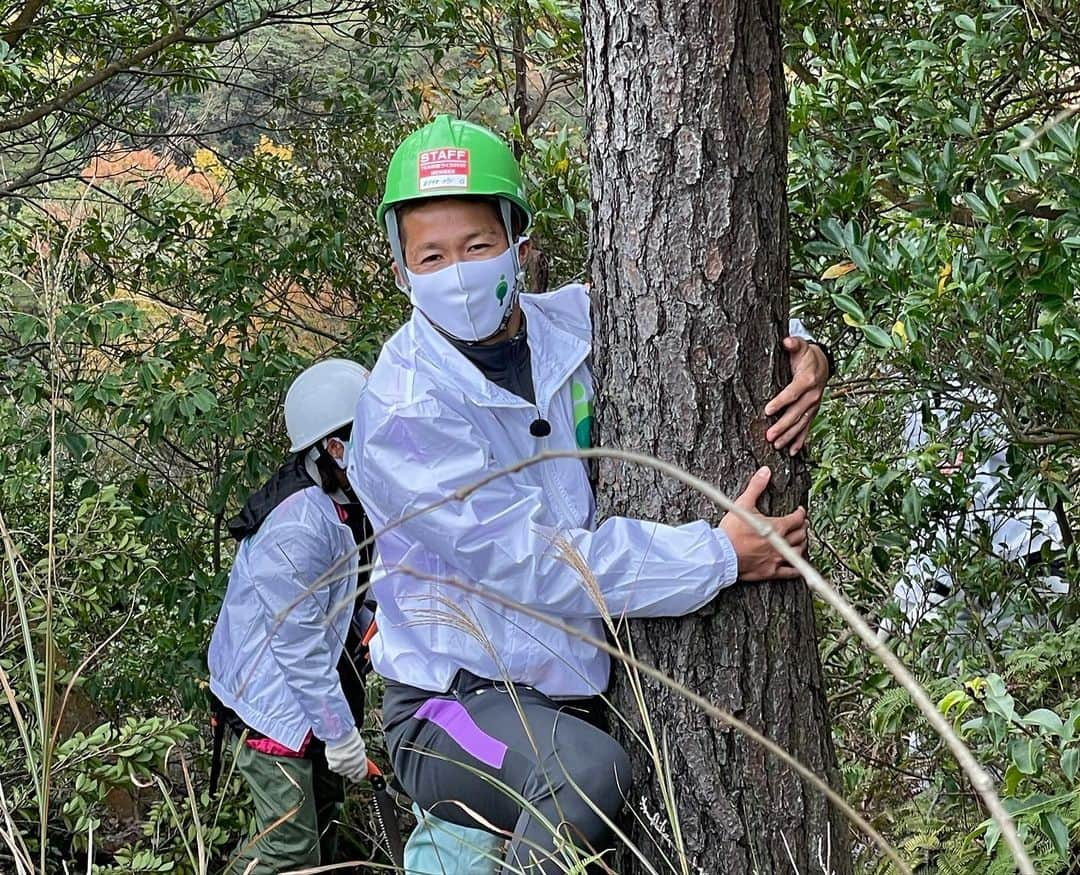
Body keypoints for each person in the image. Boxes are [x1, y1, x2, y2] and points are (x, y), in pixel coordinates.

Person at [348, 116, 832, 874]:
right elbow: (530, 565)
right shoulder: (403, 412)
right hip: (448, 709)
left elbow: (696, 320)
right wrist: (715, 555)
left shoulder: (565, 324)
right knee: (585, 774)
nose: (459, 272)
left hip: (569, 695)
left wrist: (805, 351)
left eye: (477, 246)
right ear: (402, 270)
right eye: (431, 256)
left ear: (518, 240)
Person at [207, 359, 375, 873]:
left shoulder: (343, 497)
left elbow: (351, 582)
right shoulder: (296, 528)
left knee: (324, 815)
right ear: (332, 445)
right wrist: (342, 737)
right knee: (290, 848)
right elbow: (296, 646)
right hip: (272, 698)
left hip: (315, 689)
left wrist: (368, 619)